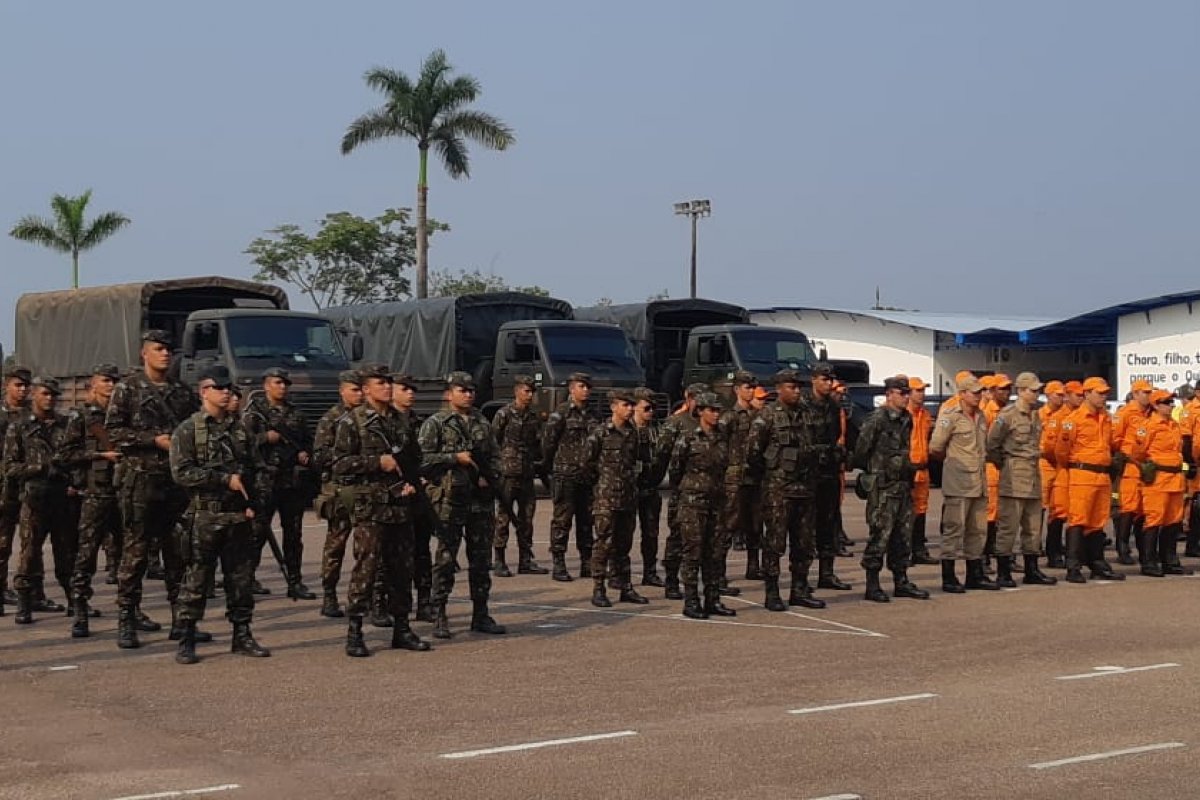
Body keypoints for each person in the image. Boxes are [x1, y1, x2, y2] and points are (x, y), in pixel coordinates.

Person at [169, 366, 271, 664]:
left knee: (240, 580)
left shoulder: (240, 430)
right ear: (204, 392)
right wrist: (223, 480)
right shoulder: (188, 430)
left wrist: (257, 502)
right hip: (205, 517)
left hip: (238, 518)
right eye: (219, 387)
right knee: (197, 580)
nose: (226, 392)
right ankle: (186, 636)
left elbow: (258, 468)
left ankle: (241, 634)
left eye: (229, 387)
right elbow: (181, 473)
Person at [106, 329, 199, 648]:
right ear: (144, 353)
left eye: (168, 350)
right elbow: (115, 433)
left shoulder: (183, 392)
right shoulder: (127, 388)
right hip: (140, 481)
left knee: (178, 553)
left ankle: (181, 620)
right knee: (136, 553)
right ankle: (127, 620)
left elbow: (193, 431)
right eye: (158, 349)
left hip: (175, 483)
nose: (165, 354)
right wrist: (152, 441)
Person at [332, 365, 431, 657]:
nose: (387, 387)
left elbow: (414, 458)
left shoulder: (400, 421)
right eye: (380, 383)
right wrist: (377, 463)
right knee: (366, 568)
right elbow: (339, 465)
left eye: (389, 383)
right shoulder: (353, 422)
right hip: (370, 508)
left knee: (402, 570)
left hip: (400, 507)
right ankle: (355, 631)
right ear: (365, 389)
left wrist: (415, 480)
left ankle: (401, 627)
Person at [419, 371, 506, 639]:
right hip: (450, 501)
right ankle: (440, 613)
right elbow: (423, 460)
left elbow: (495, 456)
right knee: (446, 559)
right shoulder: (436, 423)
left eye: (471, 390)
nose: (467, 394)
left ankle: (480, 613)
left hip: (479, 503)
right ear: (449, 393)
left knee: (481, 560)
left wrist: (489, 477)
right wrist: (454, 458)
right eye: (462, 390)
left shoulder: (482, 421)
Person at [746, 369, 823, 610]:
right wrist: (772, 474)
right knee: (775, 544)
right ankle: (772, 592)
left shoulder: (807, 414)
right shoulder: (767, 416)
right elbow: (753, 452)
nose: (797, 390)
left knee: (804, 544)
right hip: (779, 490)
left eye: (798, 387)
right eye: (791, 387)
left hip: (805, 489)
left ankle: (799, 590)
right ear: (779, 389)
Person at [4, 377, 76, 623]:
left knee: (66, 553)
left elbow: (75, 457)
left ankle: (75, 601)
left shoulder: (65, 425)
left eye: (54, 395)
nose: (50, 399)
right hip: (34, 499)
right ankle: (25, 604)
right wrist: (41, 467)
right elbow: (10, 467)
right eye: (45, 393)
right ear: (35, 394)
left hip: (62, 499)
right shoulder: (20, 427)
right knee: (29, 554)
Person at [851, 376, 929, 602]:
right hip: (883, 487)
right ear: (889, 394)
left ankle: (901, 580)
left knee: (902, 536)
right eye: (902, 393)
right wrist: (877, 470)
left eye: (908, 393)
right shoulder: (877, 419)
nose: (906, 397)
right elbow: (861, 452)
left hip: (903, 485)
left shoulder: (907, 418)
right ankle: (872, 584)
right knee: (880, 535)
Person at [242, 367, 315, 600]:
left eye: (285, 383)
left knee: (293, 534)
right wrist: (265, 438)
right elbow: (241, 444)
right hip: (264, 482)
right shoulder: (254, 413)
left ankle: (295, 581)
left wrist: (305, 453)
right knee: (257, 533)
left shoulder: (296, 414)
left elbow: (308, 441)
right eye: (277, 383)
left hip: (291, 482)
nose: (282, 387)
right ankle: (248, 578)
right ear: (266, 385)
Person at [62, 364, 123, 635]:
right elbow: (65, 455)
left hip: (123, 492)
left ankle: (129, 611)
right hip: (95, 494)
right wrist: (100, 456)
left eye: (114, 381)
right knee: (86, 556)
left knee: (127, 556)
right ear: (93, 385)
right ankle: (80, 611)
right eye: (106, 381)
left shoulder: (121, 414)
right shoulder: (81, 416)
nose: (111, 385)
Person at [986, 372, 1057, 587]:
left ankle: (1032, 569)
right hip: (1014, 477)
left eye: (1038, 390)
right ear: (1021, 391)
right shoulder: (1007, 415)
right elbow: (992, 445)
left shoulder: (1035, 415)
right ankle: (1003, 571)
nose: (1037, 394)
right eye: (1033, 390)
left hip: (1034, 475)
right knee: (1009, 527)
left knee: (1033, 527)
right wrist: (1007, 465)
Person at [929, 373, 997, 592]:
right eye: (975, 392)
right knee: (954, 529)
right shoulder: (950, 415)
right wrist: (952, 465)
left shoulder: (981, 417)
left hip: (978, 482)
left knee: (977, 530)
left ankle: (974, 574)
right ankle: (948, 576)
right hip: (958, 483)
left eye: (981, 392)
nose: (979, 396)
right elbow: (936, 447)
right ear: (962, 394)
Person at [1056, 377, 1125, 583]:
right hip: (1081, 474)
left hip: (1102, 475)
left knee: (1097, 521)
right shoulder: (1074, 419)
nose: (1104, 397)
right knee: (1078, 520)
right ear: (1086, 394)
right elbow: (1061, 451)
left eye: (1105, 393)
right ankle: (1073, 566)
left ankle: (1097, 563)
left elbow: (1112, 444)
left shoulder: (1106, 418)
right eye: (1099, 393)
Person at [670, 392, 733, 618]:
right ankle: (691, 601)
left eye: (718, 411)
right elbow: (676, 470)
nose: (716, 415)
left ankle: (713, 599)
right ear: (700, 411)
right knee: (692, 553)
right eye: (712, 410)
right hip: (692, 503)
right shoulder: (687, 438)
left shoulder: (722, 437)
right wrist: (687, 491)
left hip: (716, 502)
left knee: (714, 553)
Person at [585, 388, 645, 607]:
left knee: (624, 545)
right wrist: (601, 486)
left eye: (631, 405)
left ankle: (624, 586)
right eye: (625, 405)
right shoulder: (600, 433)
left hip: (627, 497)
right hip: (606, 498)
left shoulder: (633, 433)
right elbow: (587, 465)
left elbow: (634, 462)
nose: (629, 409)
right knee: (603, 544)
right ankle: (598, 588)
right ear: (613, 407)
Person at [313, 370, 364, 618]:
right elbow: (320, 456)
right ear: (342, 391)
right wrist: (348, 458)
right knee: (336, 545)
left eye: (361, 389)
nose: (360, 394)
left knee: (366, 547)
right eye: (354, 389)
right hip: (340, 489)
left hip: (364, 491)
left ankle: (364, 596)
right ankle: (329, 594)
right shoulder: (331, 419)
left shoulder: (367, 418)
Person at [800, 363, 851, 593]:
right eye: (824, 379)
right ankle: (801, 578)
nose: (828, 384)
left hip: (829, 473)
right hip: (808, 474)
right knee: (805, 528)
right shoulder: (802, 405)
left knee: (828, 525)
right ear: (813, 380)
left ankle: (827, 574)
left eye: (830, 380)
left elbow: (836, 436)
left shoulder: (832, 406)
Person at [390, 373, 437, 622]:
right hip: (393, 499)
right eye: (404, 388)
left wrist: (425, 476)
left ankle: (425, 602)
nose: (410, 393)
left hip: (418, 497)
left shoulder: (420, 423)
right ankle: (383, 605)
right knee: (392, 555)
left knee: (422, 551)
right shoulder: (383, 423)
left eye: (412, 389)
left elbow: (426, 458)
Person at [542, 372, 597, 581]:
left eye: (588, 387)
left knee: (586, 521)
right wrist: (550, 469)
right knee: (562, 521)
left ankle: (586, 562)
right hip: (565, 475)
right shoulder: (561, 413)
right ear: (572, 389)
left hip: (586, 477)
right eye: (582, 386)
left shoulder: (592, 415)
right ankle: (559, 563)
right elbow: (548, 443)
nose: (586, 390)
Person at [491, 375, 548, 577]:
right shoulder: (504, 414)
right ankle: (499, 560)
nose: (530, 395)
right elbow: (493, 442)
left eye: (532, 391)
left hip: (526, 474)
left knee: (527, 518)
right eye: (526, 391)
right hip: (507, 474)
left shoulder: (533, 417)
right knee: (504, 518)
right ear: (517, 391)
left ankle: (526, 560)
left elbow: (536, 444)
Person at [1132, 390, 1192, 577]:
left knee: (1173, 520)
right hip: (1157, 479)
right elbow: (1137, 453)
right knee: (1154, 519)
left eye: (1171, 401)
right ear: (1156, 405)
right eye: (1166, 402)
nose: (1171, 404)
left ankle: (1169, 560)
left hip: (1175, 479)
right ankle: (1149, 561)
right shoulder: (1148, 426)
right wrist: (1149, 467)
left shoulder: (1174, 425)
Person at [720, 371, 763, 582]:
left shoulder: (759, 415)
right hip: (734, 478)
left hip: (755, 478)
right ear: (737, 389)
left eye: (752, 387)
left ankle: (754, 566)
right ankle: (719, 573)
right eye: (746, 387)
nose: (750, 391)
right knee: (729, 524)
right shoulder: (729, 417)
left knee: (755, 525)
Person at [1111, 379, 1154, 565]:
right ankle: (1122, 547)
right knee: (1128, 508)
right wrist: (1125, 454)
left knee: (1143, 511)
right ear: (1135, 394)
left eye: (1149, 392)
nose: (1148, 395)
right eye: (1144, 392)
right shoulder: (1126, 412)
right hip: (1130, 466)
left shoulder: (1151, 413)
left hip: (1147, 466)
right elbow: (1115, 438)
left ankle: (1143, 549)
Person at [0, 366, 31, 610]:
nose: (22, 390)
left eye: (25, 386)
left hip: (29, 487)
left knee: (31, 542)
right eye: (17, 385)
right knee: (3, 541)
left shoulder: (31, 416)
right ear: (6, 386)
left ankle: (31, 590)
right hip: (4, 487)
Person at [631, 387, 665, 587]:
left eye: (653, 408)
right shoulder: (626, 430)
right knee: (622, 534)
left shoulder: (656, 430)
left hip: (650, 489)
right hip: (629, 490)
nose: (651, 412)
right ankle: (618, 573)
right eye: (646, 408)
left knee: (651, 534)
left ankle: (650, 572)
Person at [906, 377, 937, 565]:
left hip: (923, 470)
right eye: (918, 390)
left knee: (921, 510)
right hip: (908, 469)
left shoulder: (925, 415)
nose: (922, 394)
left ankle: (919, 549)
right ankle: (905, 551)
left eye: (923, 390)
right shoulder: (903, 415)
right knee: (906, 512)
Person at [1038, 381, 1067, 567]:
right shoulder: (1040, 415)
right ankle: (1034, 543)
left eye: (1063, 394)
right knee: (1040, 507)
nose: (1061, 397)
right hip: (1043, 463)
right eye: (1057, 394)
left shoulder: (1066, 415)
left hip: (1059, 465)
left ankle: (1054, 547)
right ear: (1048, 395)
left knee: (1058, 509)